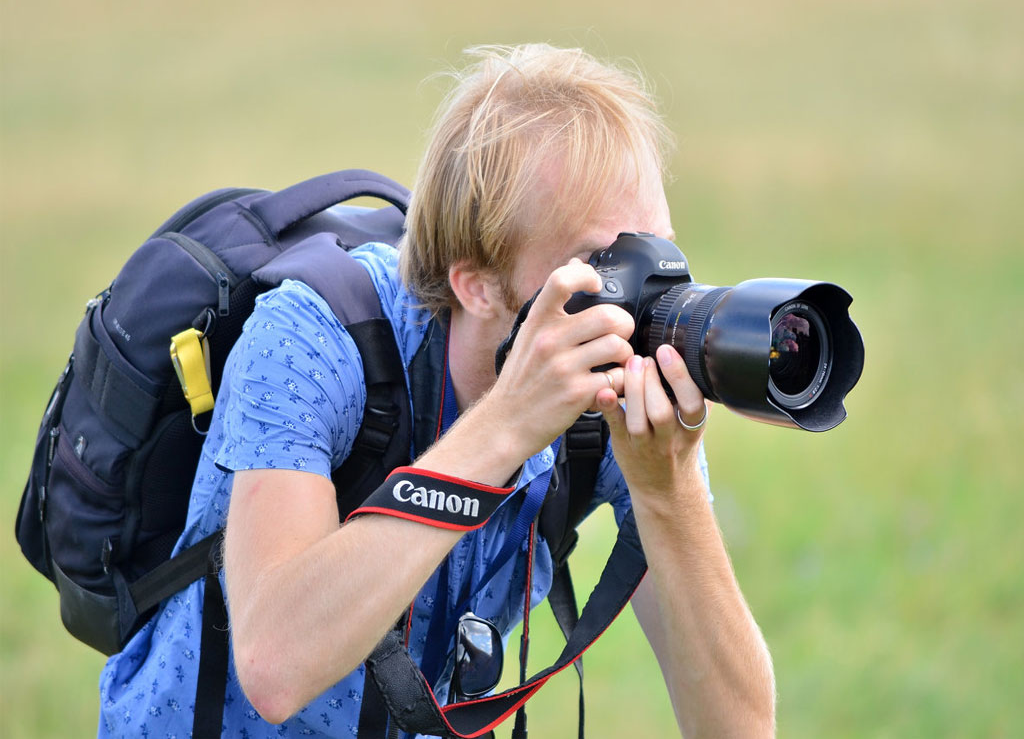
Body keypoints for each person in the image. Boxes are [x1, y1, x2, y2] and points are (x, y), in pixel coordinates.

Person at [98, 43, 775, 738]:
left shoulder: (608, 387)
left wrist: (672, 491)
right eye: (606, 263)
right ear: (475, 284)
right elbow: (274, 665)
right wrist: (507, 426)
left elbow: (738, 729)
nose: (639, 298)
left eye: (655, 251)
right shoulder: (313, 337)